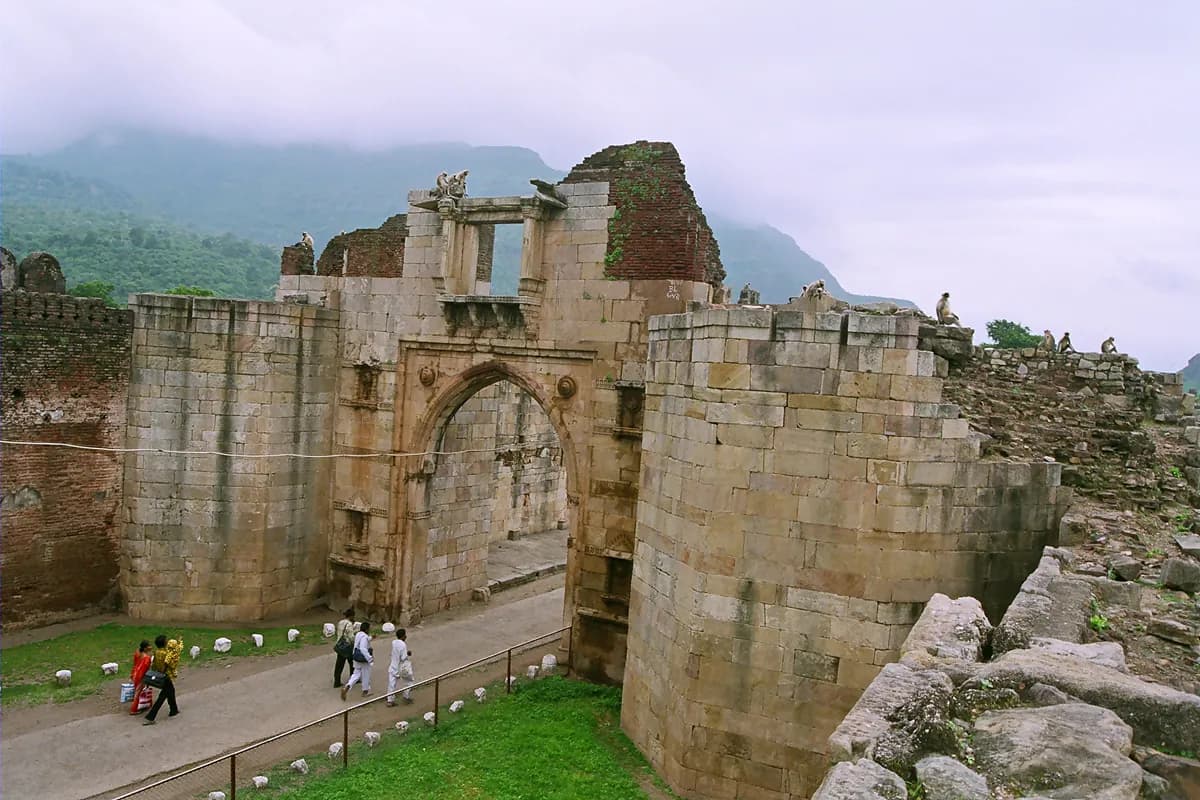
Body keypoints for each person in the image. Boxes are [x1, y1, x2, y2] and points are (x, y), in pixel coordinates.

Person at [143, 634, 183, 725]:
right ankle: (151, 716)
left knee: (171, 691)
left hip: (160, 675)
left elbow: (154, 664)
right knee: (163, 695)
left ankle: (174, 710)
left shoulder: (156, 652)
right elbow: (170, 664)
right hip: (166, 676)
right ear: (164, 643)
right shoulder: (166, 654)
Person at [341, 621, 373, 699]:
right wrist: (369, 658)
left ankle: (348, 686)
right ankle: (365, 691)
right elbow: (363, 648)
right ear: (367, 629)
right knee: (366, 674)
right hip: (363, 658)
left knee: (356, 673)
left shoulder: (358, 634)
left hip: (356, 656)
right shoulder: (364, 637)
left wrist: (371, 638)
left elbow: (362, 641)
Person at [386, 628, 415, 707]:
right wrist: (407, 654)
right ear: (403, 636)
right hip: (401, 667)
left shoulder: (394, 642)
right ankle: (406, 696)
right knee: (409, 681)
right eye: (405, 635)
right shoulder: (403, 645)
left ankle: (390, 700)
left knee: (391, 684)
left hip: (393, 666)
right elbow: (403, 657)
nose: (406, 636)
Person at [129, 639, 154, 715]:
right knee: (139, 692)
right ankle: (134, 709)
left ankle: (147, 703)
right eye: (149, 646)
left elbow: (135, 664)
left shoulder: (137, 653)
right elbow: (145, 669)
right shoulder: (147, 658)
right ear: (145, 648)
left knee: (140, 690)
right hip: (141, 677)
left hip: (135, 674)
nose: (151, 647)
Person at [333, 608, 357, 688]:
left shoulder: (340, 622)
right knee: (352, 663)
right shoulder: (349, 624)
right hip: (347, 647)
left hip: (340, 646)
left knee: (339, 665)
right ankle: (353, 679)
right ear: (351, 616)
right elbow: (351, 637)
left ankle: (337, 681)